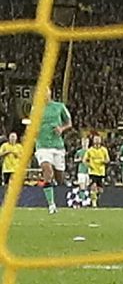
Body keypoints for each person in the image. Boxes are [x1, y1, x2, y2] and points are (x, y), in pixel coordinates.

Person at [33, 85, 71, 214]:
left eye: (46, 92)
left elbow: (69, 122)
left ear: (50, 93)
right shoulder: (35, 109)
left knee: (59, 177)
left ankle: (57, 186)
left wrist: (61, 128)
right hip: (42, 145)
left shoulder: (59, 106)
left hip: (57, 146)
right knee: (47, 169)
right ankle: (51, 205)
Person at [85, 134, 109, 207]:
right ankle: (94, 202)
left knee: (100, 189)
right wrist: (89, 166)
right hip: (93, 171)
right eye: (95, 139)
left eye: (98, 139)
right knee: (93, 186)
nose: (97, 140)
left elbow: (107, 160)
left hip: (101, 171)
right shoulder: (90, 150)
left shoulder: (104, 150)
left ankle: (96, 197)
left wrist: (103, 161)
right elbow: (85, 160)